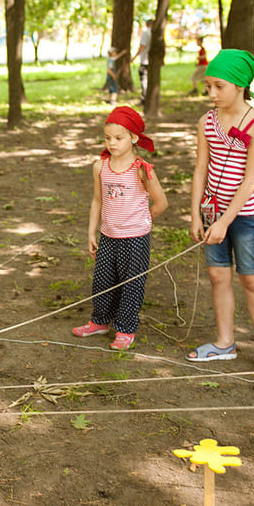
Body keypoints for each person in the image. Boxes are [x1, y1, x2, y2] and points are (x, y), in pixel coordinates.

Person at [186, 49, 254, 382]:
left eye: (218, 86)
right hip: (212, 213)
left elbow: (250, 179)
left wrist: (225, 222)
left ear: (240, 85)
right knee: (218, 277)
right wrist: (196, 215)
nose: (211, 94)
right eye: (208, 87)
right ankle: (225, 342)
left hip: (244, 217)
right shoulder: (207, 122)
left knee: (251, 280)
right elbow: (201, 169)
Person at [72, 106, 168, 350]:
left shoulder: (141, 170)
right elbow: (97, 200)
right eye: (107, 138)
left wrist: (144, 220)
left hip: (135, 238)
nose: (111, 143)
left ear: (133, 138)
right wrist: (91, 232)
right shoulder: (100, 166)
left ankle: (125, 329)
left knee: (131, 283)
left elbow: (161, 202)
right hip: (108, 235)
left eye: (118, 138)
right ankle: (100, 320)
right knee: (103, 281)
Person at [131, 19, 153, 104]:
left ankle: (144, 98)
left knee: (144, 79)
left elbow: (142, 46)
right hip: (152, 61)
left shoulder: (146, 33)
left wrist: (135, 57)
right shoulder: (155, 33)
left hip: (145, 60)